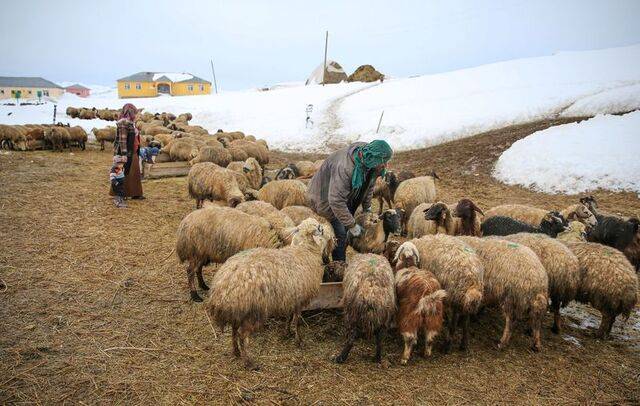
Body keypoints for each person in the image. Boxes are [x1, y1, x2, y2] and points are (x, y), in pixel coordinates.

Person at [307, 140, 393, 262]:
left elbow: (368, 185)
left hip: (343, 196)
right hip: (324, 198)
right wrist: (352, 225)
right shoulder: (344, 168)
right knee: (341, 233)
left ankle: (339, 253)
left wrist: (367, 208)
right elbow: (336, 201)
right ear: (374, 158)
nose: (385, 165)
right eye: (383, 162)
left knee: (346, 227)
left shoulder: (368, 159)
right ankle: (338, 265)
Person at [113, 103, 144, 200]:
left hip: (132, 150)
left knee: (134, 172)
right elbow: (122, 140)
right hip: (125, 152)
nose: (135, 115)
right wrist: (124, 154)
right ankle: (122, 193)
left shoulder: (130, 123)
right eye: (134, 112)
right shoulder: (123, 123)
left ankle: (135, 193)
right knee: (124, 171)